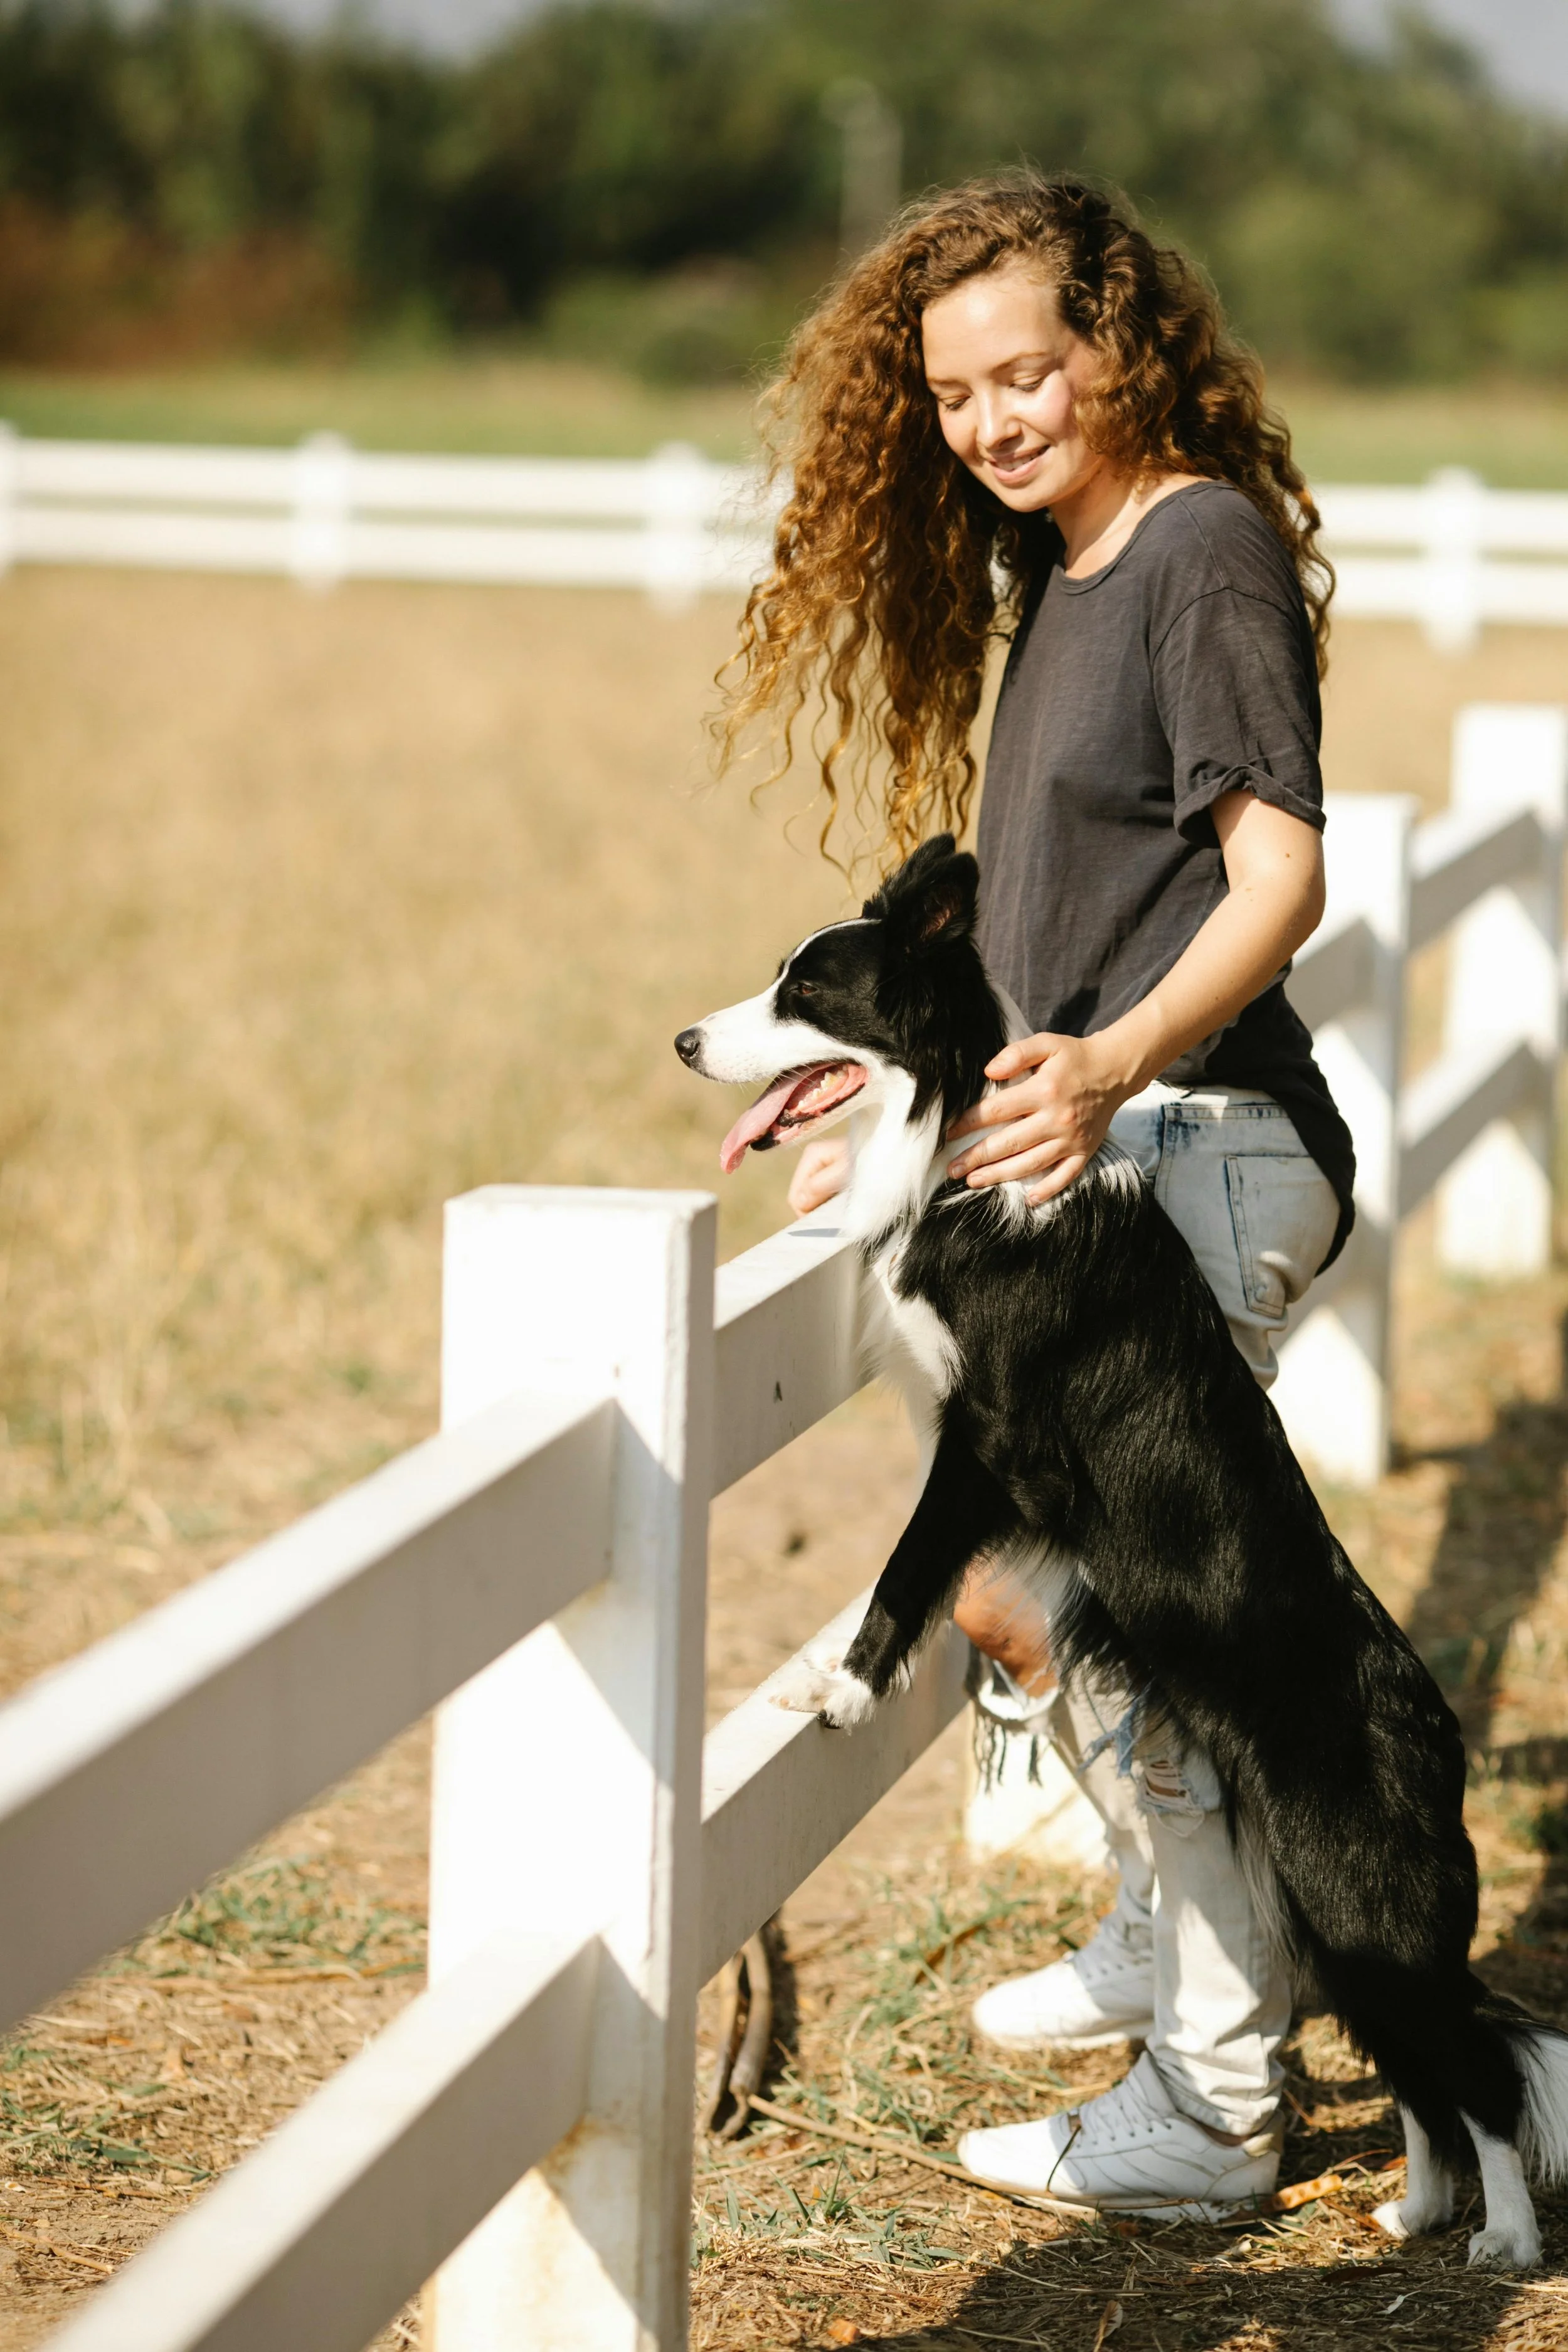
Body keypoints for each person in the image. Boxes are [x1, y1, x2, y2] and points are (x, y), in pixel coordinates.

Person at [716, 172, 1353, 2217]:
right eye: (954, 393)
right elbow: (1046, 925)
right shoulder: (1063, 569)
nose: (989, 420)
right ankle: (1174, 1952)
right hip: (1082, 1138)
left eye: (1029, 374)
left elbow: (1274, 878)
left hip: (1193, 1141)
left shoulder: (1197, 557)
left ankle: (1214, 2107)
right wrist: (902, 1105)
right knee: (1048, 1608)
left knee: (1141, 1640)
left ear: (1124, 349)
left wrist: (1105, 1069)